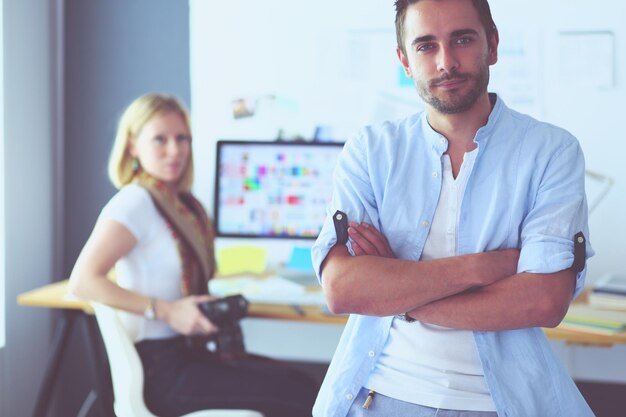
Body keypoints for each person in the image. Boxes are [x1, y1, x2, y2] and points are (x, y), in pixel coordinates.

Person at [311, 1, 594, 416]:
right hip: (375, 395)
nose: (447, 62)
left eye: (462, 39)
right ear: (405, 61)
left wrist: (397, 291)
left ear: (492, 46)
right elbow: (342, 288)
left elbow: (544, 302)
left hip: (499, 403)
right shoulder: (370, 151)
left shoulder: (551, 152)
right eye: (426, 46)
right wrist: (483, 268)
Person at [69, 93, 317, 417]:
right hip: (162, 371)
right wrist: (168, 311)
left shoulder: (184, 205)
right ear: (132, 145)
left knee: (302, 384)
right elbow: (83, 282)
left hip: (190, 354)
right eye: (160, 139)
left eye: (181, 138)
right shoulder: (134, 202)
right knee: (303, 396)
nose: (175, 150)